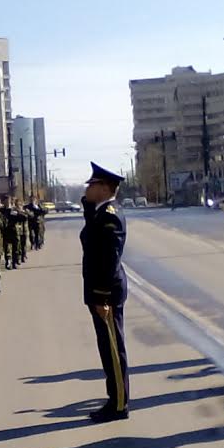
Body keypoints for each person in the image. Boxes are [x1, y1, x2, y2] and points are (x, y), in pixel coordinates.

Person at [80, 163, 129, 422]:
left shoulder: (109, 216)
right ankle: (115, 398)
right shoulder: (100, 213)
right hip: (102, 292)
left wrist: (100, 296)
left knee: (113, 348)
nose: (87, 188)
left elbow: (109, 259)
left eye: (92, 185)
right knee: (107, 347)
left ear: (104, 188)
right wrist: (89, 205)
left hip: (106, 293)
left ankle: (119, 404)